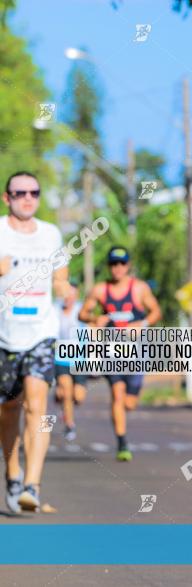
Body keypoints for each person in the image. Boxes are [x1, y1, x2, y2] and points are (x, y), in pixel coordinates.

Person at [0, 171, 71, 513]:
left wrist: (66, 290)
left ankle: (33, 484)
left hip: (42, 331)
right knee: (8, 409)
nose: (27, 198)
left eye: (34, 192)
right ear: (7, 198)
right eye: (20, 193)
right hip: (4, 333)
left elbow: (60, 278)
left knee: (37, 404)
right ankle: (12, 473)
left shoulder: (51, 234)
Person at [79, 247, 161, 462]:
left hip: (136, 350)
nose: (118, 268)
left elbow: (156, 312)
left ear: (128, 266)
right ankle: (122, 442)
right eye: (114, 264)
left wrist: (140, 324)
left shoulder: (139, 289)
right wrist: (95, 319)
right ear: (109, 266)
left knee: (129, 403)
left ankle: (125, 419)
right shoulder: (100, 290)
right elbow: (83, 313)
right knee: (117, 394)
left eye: (122, 263)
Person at [54, 281, 88, 442]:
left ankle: (60, 398)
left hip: (79, 359)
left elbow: (92, 330)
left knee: (78, 397)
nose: (69, 298)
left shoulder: (81, 310)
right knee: (66, 391)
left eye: (72, 295)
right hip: (60, 359)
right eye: (66, 295)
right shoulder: (55, 309)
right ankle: (69, 424)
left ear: (76, 296)